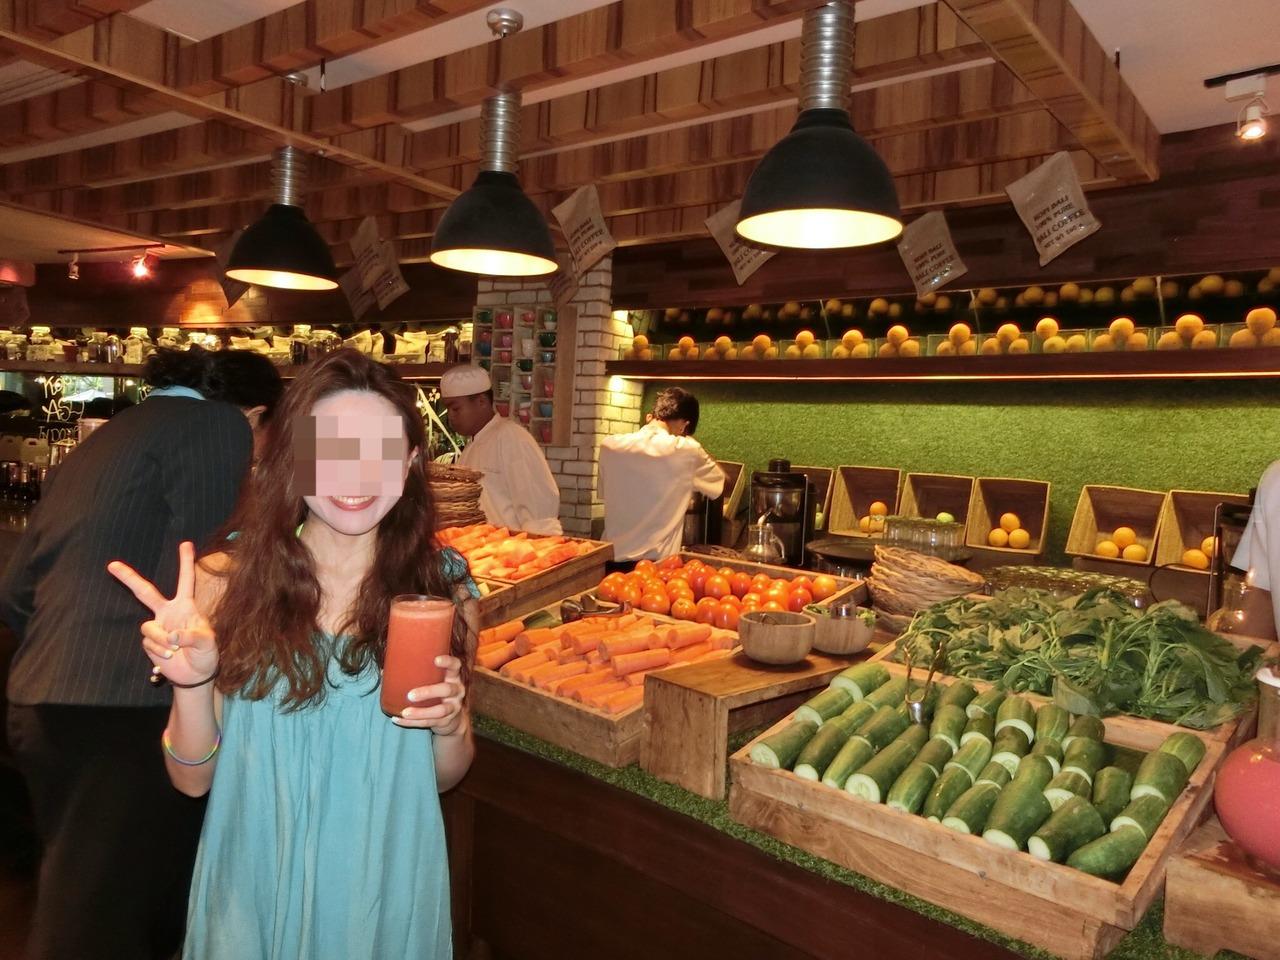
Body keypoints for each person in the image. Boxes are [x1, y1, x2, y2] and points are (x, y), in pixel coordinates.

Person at [109, 349, 477, 959]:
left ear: (411, 461)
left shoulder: (442, 593)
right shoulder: (226, 582)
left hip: (381, 886)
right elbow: (192, 780)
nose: (355, 475)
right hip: (254, 883)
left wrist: (450, 724)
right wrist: (192, 684)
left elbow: (442, 777)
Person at [0, 346, 282, 960]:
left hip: (43, 699)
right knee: (103, 926)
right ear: (256, 415)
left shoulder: (111, 432)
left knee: (85, 902)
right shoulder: (219, 424)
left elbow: (15, 590)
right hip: (128, 706)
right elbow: (207, 564)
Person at [598, 386, 725, 562]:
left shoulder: (609, 446)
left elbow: (607, 495)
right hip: (656, 568)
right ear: (685, 425)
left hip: (608, 563)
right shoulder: (687, 450)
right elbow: (721, 483)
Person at [439, 364, 562, 534]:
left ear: (482, 402)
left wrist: (535, 547)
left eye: (455, 408)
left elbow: (540, 514)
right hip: (481, 546)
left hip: (513, 548)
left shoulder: (511, 437)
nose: (451, 416)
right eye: (448, 409)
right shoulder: (470, 448)